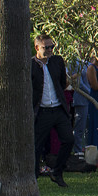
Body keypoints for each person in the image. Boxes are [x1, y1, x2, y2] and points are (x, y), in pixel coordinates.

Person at [31, 34, 74, 187]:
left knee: (69, 140)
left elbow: (62, 82)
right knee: (36, 145)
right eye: (46, 47)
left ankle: (57, 171)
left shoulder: (57, 61)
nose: (50, 50)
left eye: (51, 47)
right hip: (42, 110)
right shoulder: (31, 65)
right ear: (37, 48)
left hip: (58, 108)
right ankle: (33, 177)